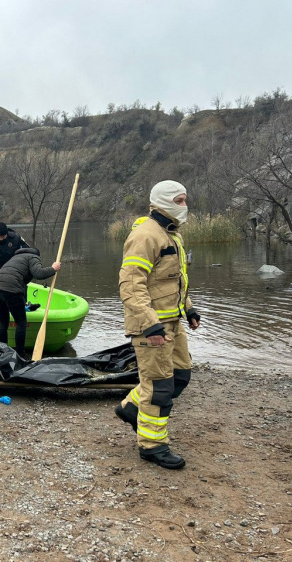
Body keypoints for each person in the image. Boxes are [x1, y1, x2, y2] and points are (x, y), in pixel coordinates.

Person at [115, 180, 200, 470]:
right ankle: (151, 445)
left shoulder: (172, 235)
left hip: (172, 323)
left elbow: (172, 281)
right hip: (151, 327)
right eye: (179, 200)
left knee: (181, 376)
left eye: (185, 200)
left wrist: (188, 310)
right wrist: (150, 326)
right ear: (162, 201)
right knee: (159, 386)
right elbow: (131, 285)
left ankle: (130, 407)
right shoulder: (145, 236)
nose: (184, 206)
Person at [0, 248, 61, 358]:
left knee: (4, 322)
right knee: (21, 322)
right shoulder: (33, 257)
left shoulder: (15, 258)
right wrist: (53, 268)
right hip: (11, 288)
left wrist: (23, 301)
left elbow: (21, 282)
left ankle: (3, 352)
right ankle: (20, 355)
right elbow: (38, 273)